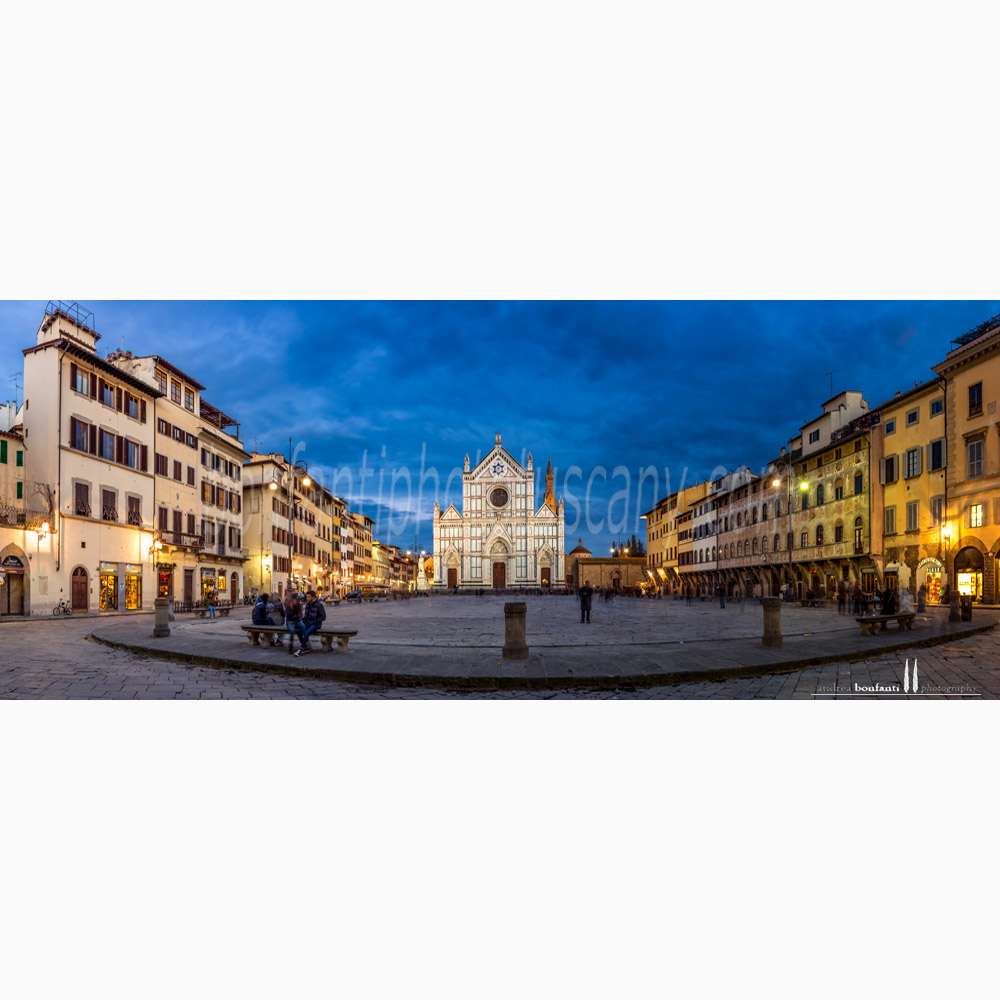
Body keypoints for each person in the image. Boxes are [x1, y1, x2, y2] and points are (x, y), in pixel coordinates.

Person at [295, 590, 327, 655]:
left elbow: (323, 616)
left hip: (316, 624)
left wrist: (315, 621)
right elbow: (306, 615)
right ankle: (305, 646)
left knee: (307, 632)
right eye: (307, 597)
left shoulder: (319, 605)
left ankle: (301, 648)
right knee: (298, 630)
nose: (307, 598)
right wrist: (304, 620)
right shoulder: (308, 605)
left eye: (309, 597)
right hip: (308, 623)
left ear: (313, 597)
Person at [284, 589, 303, 654]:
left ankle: (304, 644)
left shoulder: (298, 605)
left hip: (296, 622)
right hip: (289, 622)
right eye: (295, 599)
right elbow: (288, 617)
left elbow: (300, 615)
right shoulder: (288, 606)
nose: (296, 601)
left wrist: (298, 618)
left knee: (302, 626)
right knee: (292, 630)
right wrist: (295, 616)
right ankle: (290, 647)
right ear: (292, 600)